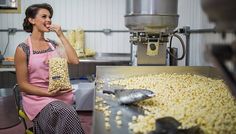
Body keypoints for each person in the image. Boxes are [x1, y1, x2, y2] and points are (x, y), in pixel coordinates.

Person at [14, 3, 85, 134]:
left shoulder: (53, 44)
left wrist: (61, 35)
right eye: (44, 16)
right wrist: (49, 93)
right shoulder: (23, 49)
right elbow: (23, 85)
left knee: (64, 112)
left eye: (50, 17)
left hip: (60, 95)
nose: (49, 20)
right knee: (63, 111)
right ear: (32, 20)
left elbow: (74, 60)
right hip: (37, 99)